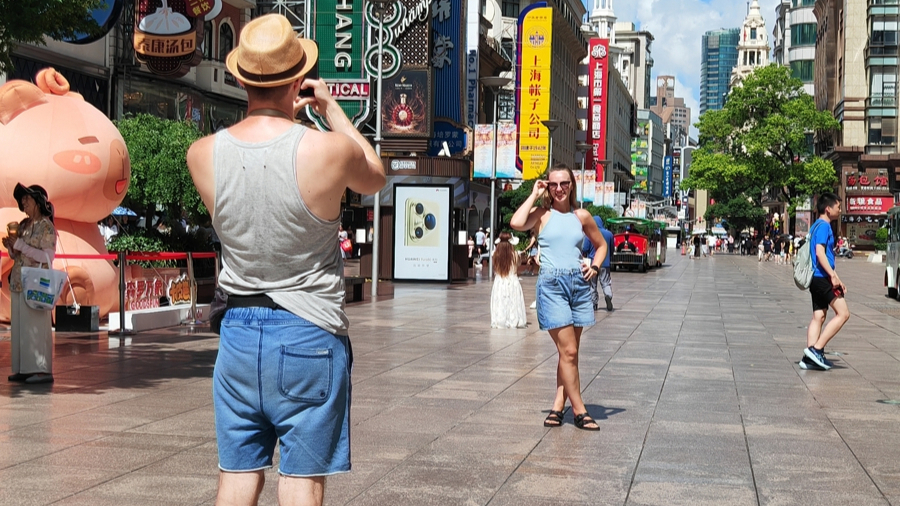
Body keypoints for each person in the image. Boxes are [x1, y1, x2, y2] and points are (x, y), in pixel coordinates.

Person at [185, 14, 385, 506]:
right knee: (300, 481)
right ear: (299, 80)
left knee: (236, 474)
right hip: (308, 332)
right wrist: (334, 110)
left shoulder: (202, 153)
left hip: (236, 333)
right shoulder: (329, 150)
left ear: (239, 78)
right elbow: (376, 177)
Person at [510, 163, 607, 431]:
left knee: (568, 355)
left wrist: (595, 266)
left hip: (578, 285)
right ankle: (579, 410)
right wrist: (533, 193)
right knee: (570, 351)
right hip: (552, 285)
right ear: (547, 187)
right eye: (553, 184)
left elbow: (601, 246)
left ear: (572, 185)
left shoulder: (582, 216)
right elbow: (516, 223)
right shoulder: (541, 214)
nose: (559, 189)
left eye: (564, 183)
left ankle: (556, 406)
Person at [3, 184, 57, 384]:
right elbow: (19, 254)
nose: (23, 203)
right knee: (20, 328)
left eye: (27, 199)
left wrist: (20, 246)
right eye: (22, 200)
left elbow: (46, 255)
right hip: (18, 282)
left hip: (36, 283)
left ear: (38, 202)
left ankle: (41, 370)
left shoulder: (46, 226)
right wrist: (12, 248)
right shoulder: (24, 225)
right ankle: (23, 369)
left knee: (36, 326)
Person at [800, 193, 849, 371]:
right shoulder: (825, 227)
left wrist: (837, 277)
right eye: (838, 206)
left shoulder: (815, 226)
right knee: (843, 314)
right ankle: (817, 349)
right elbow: (820, 253)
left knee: (818, 316)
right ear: (828, 209)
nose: (840, 209)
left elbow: (825, 256)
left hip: (817, 278)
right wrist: (833, 276)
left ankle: (809, 358)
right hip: (822, 278)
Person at [490, 232, 527, 328]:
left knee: (500, 301)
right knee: (513, 302)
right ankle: (514, 320)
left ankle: (500, 320)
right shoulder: (515, 255)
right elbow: (518, 265)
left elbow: (495, 267)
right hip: (513, 281)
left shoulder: (495, 255)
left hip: (499, 281)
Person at [581, 216, 614, 311]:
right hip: (605, 263)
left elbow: (585, 249)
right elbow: (611, 249)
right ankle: (608, 295)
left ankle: (593, 304)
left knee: (592, 285)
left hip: (592, 264)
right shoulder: (609, 234)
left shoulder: (589, 234)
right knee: (606, 283)